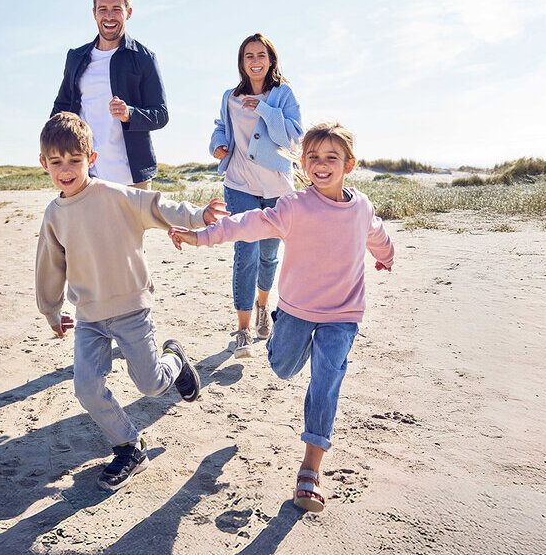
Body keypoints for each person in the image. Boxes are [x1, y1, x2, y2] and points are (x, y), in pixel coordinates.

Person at [169, 122, 394, 513]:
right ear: (303, 164)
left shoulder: (361, 207)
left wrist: (385, 257)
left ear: (349, 165)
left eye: (331, 157)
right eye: (313, 157)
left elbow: (376, 233)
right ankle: (273, 336)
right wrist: (201, 236)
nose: (321, 164)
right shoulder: (294, 206)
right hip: (296, 310)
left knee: (326, 384)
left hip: (343, 315)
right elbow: (246, 225)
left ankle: (310, 473)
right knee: (284, 367)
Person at [33, 111, 224, 491]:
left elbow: (157, 206)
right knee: (86, 387)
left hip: (132, 310)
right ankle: (129, 446)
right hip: (88, 316)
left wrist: (199, 216)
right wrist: (51, 309)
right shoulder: (54, 213)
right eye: (56, 162)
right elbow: (50, 264)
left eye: (75, 160)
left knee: (151, 386)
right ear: (44, 164)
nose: (66, 169)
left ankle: (176, 361)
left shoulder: (114, 195)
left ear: (92, 158)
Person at [207, 33, 303, 358]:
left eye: (261, 55)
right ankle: (243, 330)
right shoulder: (230, 97)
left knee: (268, 256)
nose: (255, 61)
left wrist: (264, 109)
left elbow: (294, 135)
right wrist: (217, 144)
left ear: (271, 60)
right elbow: (222, 126)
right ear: (242, 62)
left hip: (277, 189)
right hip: (239, 184)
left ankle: (264, 307)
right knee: (245, 254)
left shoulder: (283, 93)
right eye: (249, 56)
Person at [52, 0, 169, 189]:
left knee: (134, 225)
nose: (109, 16)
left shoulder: (144, 58)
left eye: (116, 9)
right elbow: (61, 108)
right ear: (94, 13)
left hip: (133, 178)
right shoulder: (76, 58)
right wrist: (51, 146)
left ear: (128, 13)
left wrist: (129, 114)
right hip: (86, 175)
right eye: (102, 9)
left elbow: (161, 114)